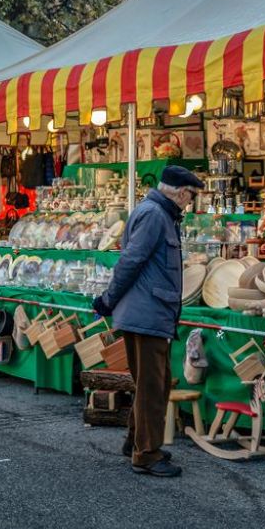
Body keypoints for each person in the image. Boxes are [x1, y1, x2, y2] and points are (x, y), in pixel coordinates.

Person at [93, 165, 204, 478]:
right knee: (153, 388)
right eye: (191, 196)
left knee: (148, 385)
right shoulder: (155, 215)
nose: (190, 202)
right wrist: (107, 300)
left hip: (146, 312)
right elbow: (130, 261)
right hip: (147, 313)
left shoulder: (155, 212)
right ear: (181, 192)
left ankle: (136, 442)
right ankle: (147, 455)